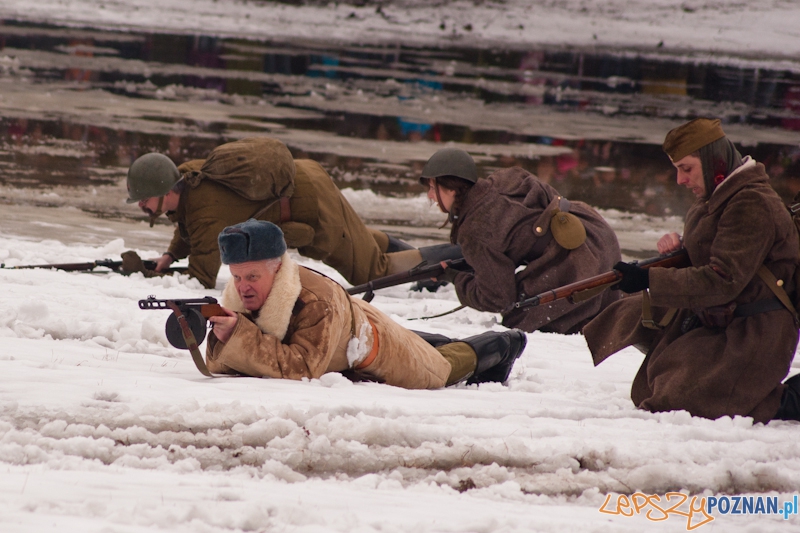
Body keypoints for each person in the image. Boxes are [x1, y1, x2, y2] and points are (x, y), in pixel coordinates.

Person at [582, 118, 800, 423]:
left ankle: (787, 401)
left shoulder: (751, 203)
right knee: (631, 323)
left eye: (686, 168)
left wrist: (648, 278)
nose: (680, 180)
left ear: (714, 161)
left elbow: (722, 279)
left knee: (680, 401)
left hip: (754, 330)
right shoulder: (716, 195)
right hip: (717, 316)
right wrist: (680, 252)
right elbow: (714, 252)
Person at [203, 219, 528, 388]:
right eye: (237, 277)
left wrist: (238, 335)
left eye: (252, 278)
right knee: (425, 347)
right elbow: (226, 363)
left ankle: (504, 343)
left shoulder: (317, 302)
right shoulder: (243, 294)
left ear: (277, 266)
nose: (243, 287)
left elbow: (300, 370)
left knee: (438, 370)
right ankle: (430, 341)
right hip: (343, 332)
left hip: (370, 341)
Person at [125, 137, 426, 289]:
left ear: (165, 191)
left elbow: (200, 277)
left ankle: (443, 262)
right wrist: (170, 256)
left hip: (312, 204)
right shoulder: (189, 176)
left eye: (143, 199)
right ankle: (418, 255)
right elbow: (190, 227)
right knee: (360, 239)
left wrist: (151, 278)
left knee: (371, 272)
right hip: (304, 177)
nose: (141, 205)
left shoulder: (207, 211)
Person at [419, 148, 622, 334]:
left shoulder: (474, 229)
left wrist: (455, 278)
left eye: (432, 187)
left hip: (579, 257)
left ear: (452, 188)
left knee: (520, 326)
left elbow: (497, 298)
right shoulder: (505, 177)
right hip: (595, 230)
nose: (430, 195)